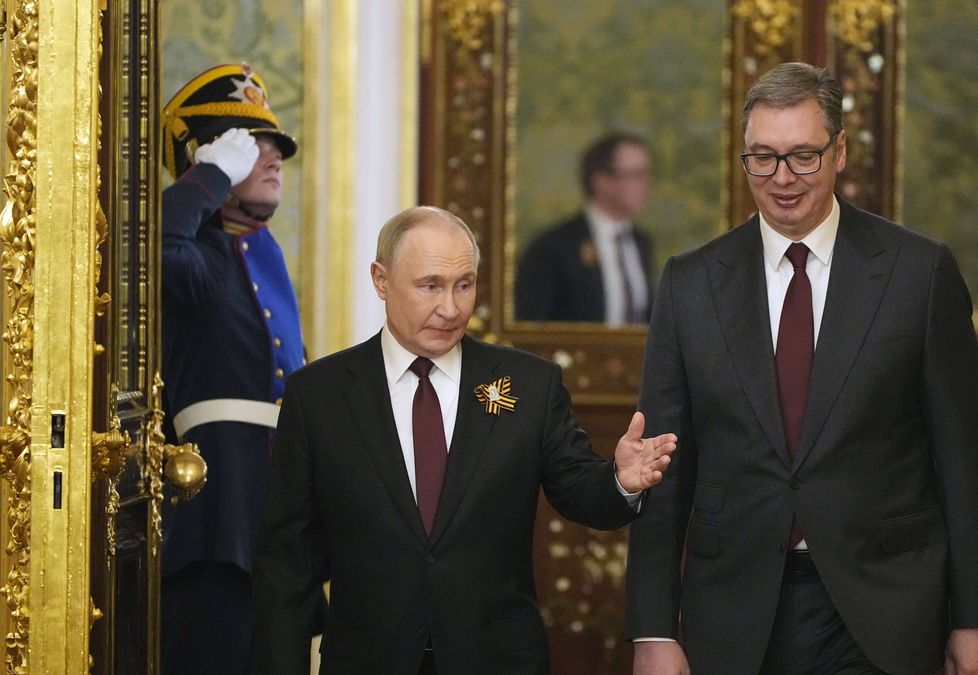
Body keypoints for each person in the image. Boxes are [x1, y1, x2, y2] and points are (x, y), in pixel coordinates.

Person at [624, 62, 978, 675]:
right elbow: (661, 467)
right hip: (736, 608)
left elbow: (964, 460)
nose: (782, 178)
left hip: (885, 607)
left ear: (840, 153)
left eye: (803, 156)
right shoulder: (691, 283)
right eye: (763, 157)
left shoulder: (919, 273)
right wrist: (651, 629)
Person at [253, 206, 678, 674]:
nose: (451, 308)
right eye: (430, 285)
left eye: (465, 285)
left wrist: (620, 480)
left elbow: (580, 491)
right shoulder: (319, 395)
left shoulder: (529, 384)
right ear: (381, 279)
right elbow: (287, 566)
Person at [158, 62, 309, 674]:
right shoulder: (198, 258)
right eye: (250, 147)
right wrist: (209, 177)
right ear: (207, 158)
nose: (272, 158)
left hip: (275, 506)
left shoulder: (261, 251)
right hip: (216, 510)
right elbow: (155, 248)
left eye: (276, 147)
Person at [515, 133, 656, 324]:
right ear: (601, 181)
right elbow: (532, 323)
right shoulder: (554, 247)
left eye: (647, 174)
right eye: (636, 175)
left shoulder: (640, 242)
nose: (647, 185)